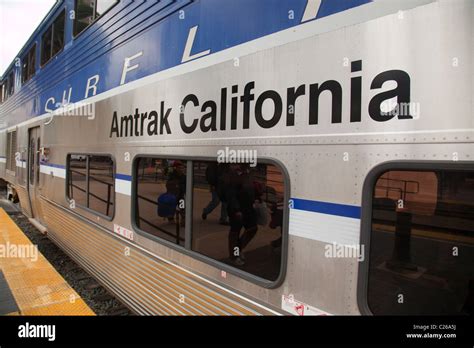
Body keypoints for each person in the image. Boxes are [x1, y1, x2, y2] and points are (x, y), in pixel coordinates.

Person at [224, 164, 258, 266]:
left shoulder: (248, 173)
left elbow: (249, 189)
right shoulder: (234, 174)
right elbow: (231, 193)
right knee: (235, 232)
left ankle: (238, 249)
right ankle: (234, 256)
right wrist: (236, 209)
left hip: (248, 206)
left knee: (253, 228)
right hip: (237, 208)